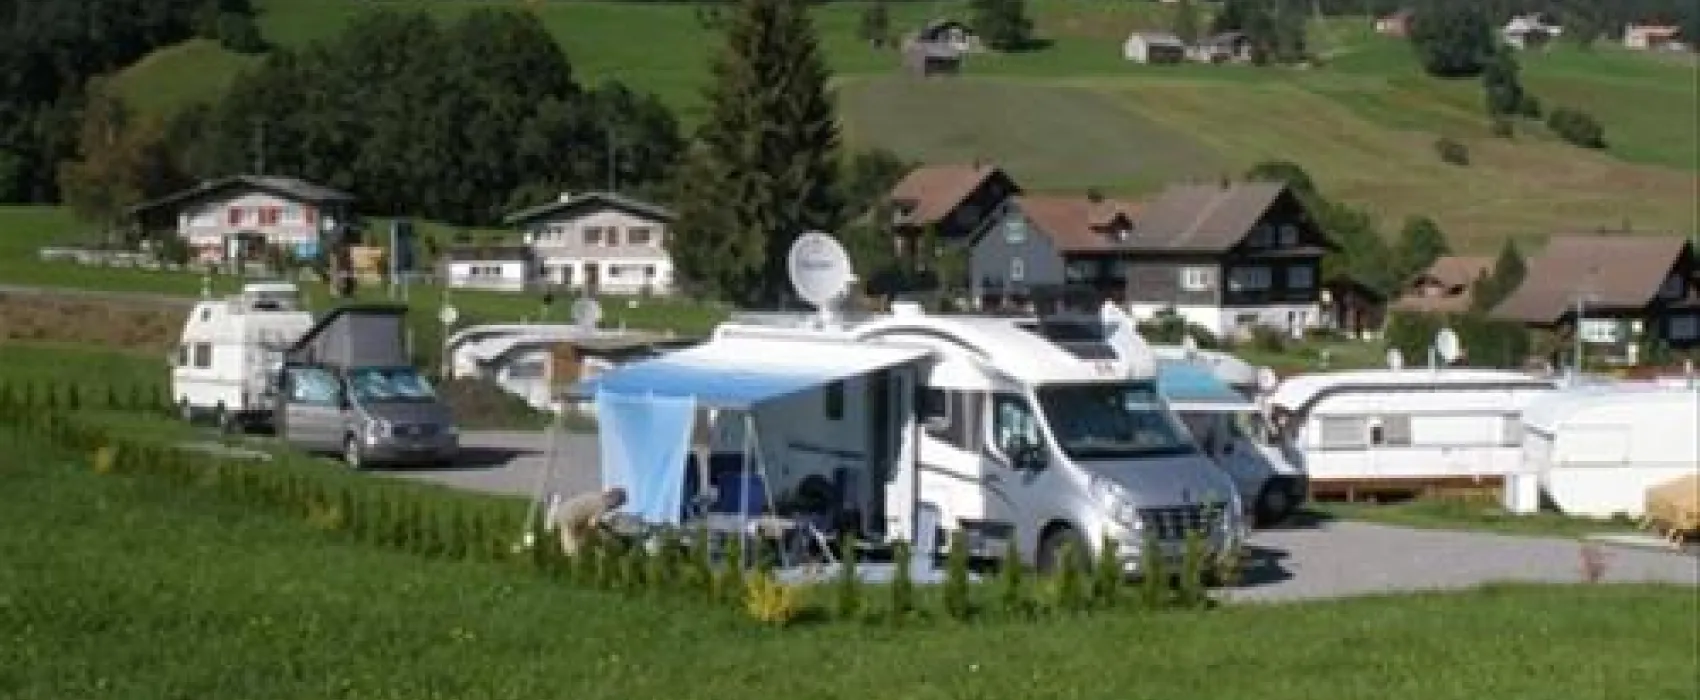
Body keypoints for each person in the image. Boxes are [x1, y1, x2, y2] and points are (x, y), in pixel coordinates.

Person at [553, 487, 627, 556]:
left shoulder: (596, 496)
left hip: (563, 510)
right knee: (573, 553)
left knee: (582, 540)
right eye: (618, 505)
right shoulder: (602, 506)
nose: (616, 508)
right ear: (615, 502)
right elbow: (592, 524)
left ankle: (561, 542)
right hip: (567, 521)